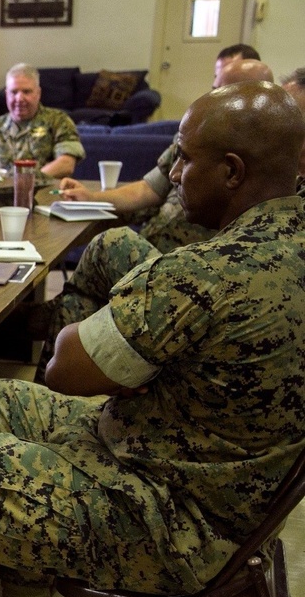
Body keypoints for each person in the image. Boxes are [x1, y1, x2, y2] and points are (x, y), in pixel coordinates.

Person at [0, 80, 305, 597]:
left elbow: (63, 371)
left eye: (184, 157)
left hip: (173, 522)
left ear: (232, 172)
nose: (174, 173)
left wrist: (133, 324)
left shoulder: (205, 274)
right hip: (228, 487)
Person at [27, 59, 279, 382]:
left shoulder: (266, 163)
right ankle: (52, 352)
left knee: (113, 244)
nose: (214, 97)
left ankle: (45, 328)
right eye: (215, 87)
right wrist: (92, 198)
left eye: (225, 91)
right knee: (80, 300)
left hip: (184, 276)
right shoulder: (197, 136)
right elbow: (149, 188)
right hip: (154, 257)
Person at [0, 63, 84, 179]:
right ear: (6, 95)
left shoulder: (58, 121)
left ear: (38, 93)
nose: (19, 99)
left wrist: (26, 182)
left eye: (26, 92)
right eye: (14, 92)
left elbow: (66, 164)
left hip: (42, 195)